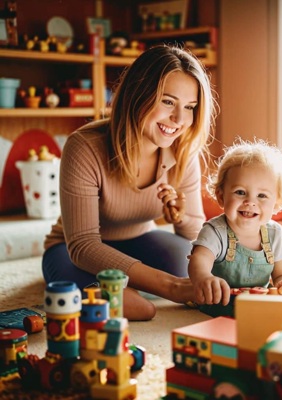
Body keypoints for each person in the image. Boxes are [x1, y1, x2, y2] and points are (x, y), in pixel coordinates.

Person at [42, 45, 218, 321]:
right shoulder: (84, 147)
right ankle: (129, 285)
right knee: (137, 307)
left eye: (190, 107)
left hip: (141, 238)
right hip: (73, 250)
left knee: (196, 266)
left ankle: (133, 280)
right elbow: (84, 245)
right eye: (168, 102)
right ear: (138, 94)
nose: (180, 120)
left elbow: (196, 235)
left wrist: (181, 217)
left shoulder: (182, 150)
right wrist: (169, 287)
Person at [188, 138, 282, 311]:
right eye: (240, 192)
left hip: (256, 307)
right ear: (221, 196)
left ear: (277, 203)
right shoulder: (215, 231)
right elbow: (199, 259)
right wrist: (204, 277)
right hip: (216, 304)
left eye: (262, 196)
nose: (250, 202)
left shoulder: (274, 234)